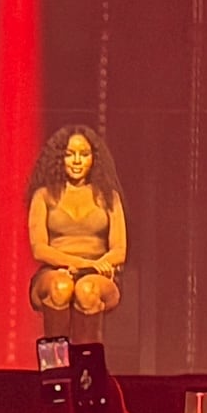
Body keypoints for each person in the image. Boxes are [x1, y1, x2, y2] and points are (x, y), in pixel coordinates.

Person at [26, 125, 126, 344]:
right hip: (54, 272)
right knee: (61, 287)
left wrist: (95, 265)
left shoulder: (109, 197)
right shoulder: (43, 196)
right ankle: (56, 367)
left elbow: (119, 251)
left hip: (97, 274)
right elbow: (39, 248)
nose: (77, 161)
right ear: (60, 159)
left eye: (84, 154)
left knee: (86, 290)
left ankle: (87, 370)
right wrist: (77, 262)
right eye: (70, 155)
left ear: (94, 159)